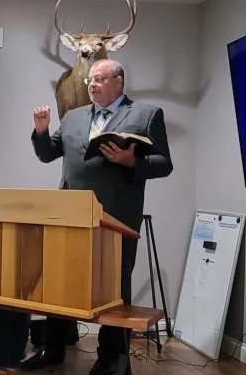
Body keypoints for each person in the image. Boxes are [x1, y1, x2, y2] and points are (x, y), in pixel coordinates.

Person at [25, 59, 173, 375]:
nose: (91, 84)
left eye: (99, 78)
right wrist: (41, 132)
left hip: (116, 218)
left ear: (119, 81)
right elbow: (48, 153)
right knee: (59, 280)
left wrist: (132, 161)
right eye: (89, 80)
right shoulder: (74, 117)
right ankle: (52, 349)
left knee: (114, 286)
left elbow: (164, 163)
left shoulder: (146, 115)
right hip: (70, 215)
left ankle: (112, 357)